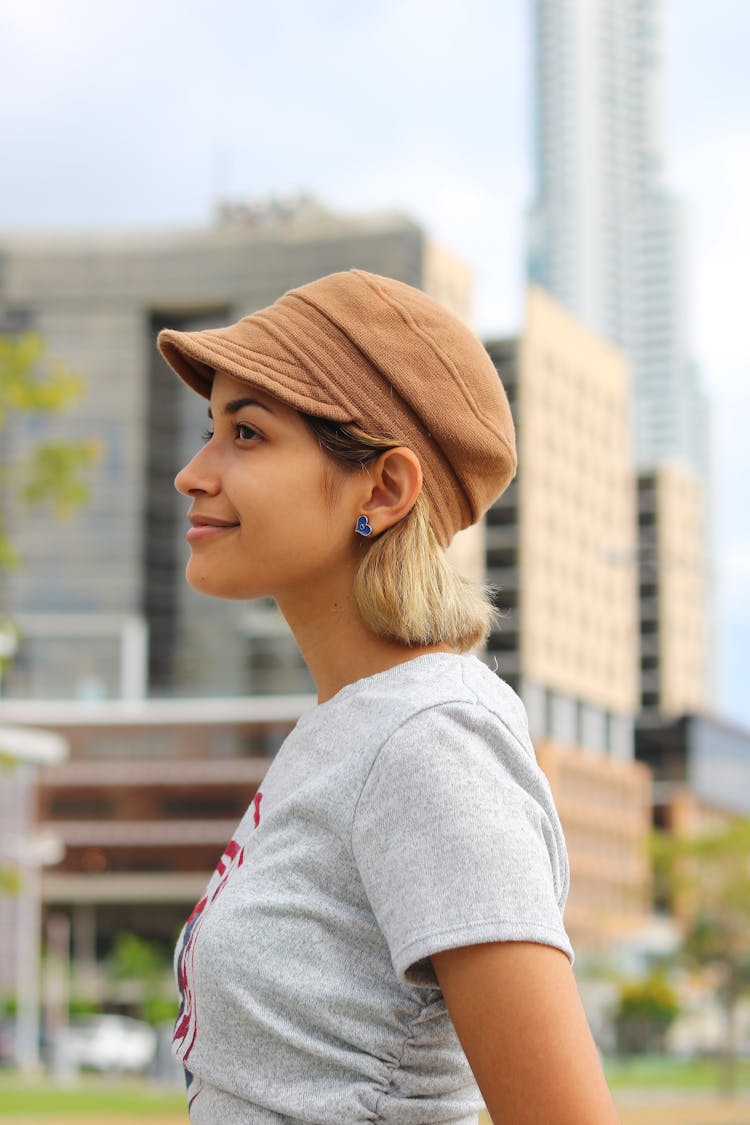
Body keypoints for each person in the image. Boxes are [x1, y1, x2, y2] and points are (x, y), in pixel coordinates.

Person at [157, 269, 620, 1124]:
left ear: (384, 489)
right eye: (208, 431)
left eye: (246, 434)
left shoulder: (431, 739)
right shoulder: (350, 725)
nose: (193, 473)